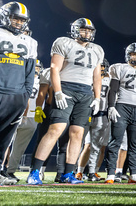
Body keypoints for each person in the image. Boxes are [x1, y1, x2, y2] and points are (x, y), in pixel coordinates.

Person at [27, 18, 102, 185]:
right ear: (75, 30)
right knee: (55, 129)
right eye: (83, 30)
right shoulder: (63, 42)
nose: (87, 33)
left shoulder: (97, 49)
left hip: (85, 92)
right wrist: (59, 92)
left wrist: (97, 97)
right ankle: (34, 171)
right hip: (66, 88)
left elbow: (97, 77)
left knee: (78, 133)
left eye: (89, 31)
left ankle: (68, 174)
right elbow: (55, 68)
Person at [0, 2, 37, 185]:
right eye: (15, 18)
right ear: (4, 16)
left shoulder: (31, 42)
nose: (18, 22)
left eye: (22, 20)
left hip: (16, 95)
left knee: (3, 137)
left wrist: (24, 95)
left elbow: (30, 72)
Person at [104, 42, 136, 184]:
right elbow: (113, 90)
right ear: (128, 55)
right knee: (115, 141)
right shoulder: (119, 68)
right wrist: (111, 106)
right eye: (134, 54)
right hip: (122, 107)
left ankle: (133, 174)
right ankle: (111, 174)